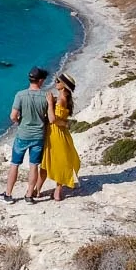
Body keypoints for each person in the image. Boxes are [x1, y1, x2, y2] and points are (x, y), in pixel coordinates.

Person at [0, 67, 49, 204]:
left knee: (14, 164)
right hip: (38, 136)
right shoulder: (46, 96)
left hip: (23, 135)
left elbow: (13, 116)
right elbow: (49, 117)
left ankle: (8, 195)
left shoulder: (20, 95)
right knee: (34, 166)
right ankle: (29, 196)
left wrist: (20, 121)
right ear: (41, 80)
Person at [40, 72, 81, 201]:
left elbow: (52, 119)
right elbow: (61, 119)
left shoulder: (61, 100)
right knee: (59, 162)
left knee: (47, 162)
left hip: (55, 134)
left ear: (64, 86)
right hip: (61, 133)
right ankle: (57, 191)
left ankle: (38, 190)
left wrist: (50, 103)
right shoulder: (65, 98)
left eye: (58, 81)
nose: (56, 81)